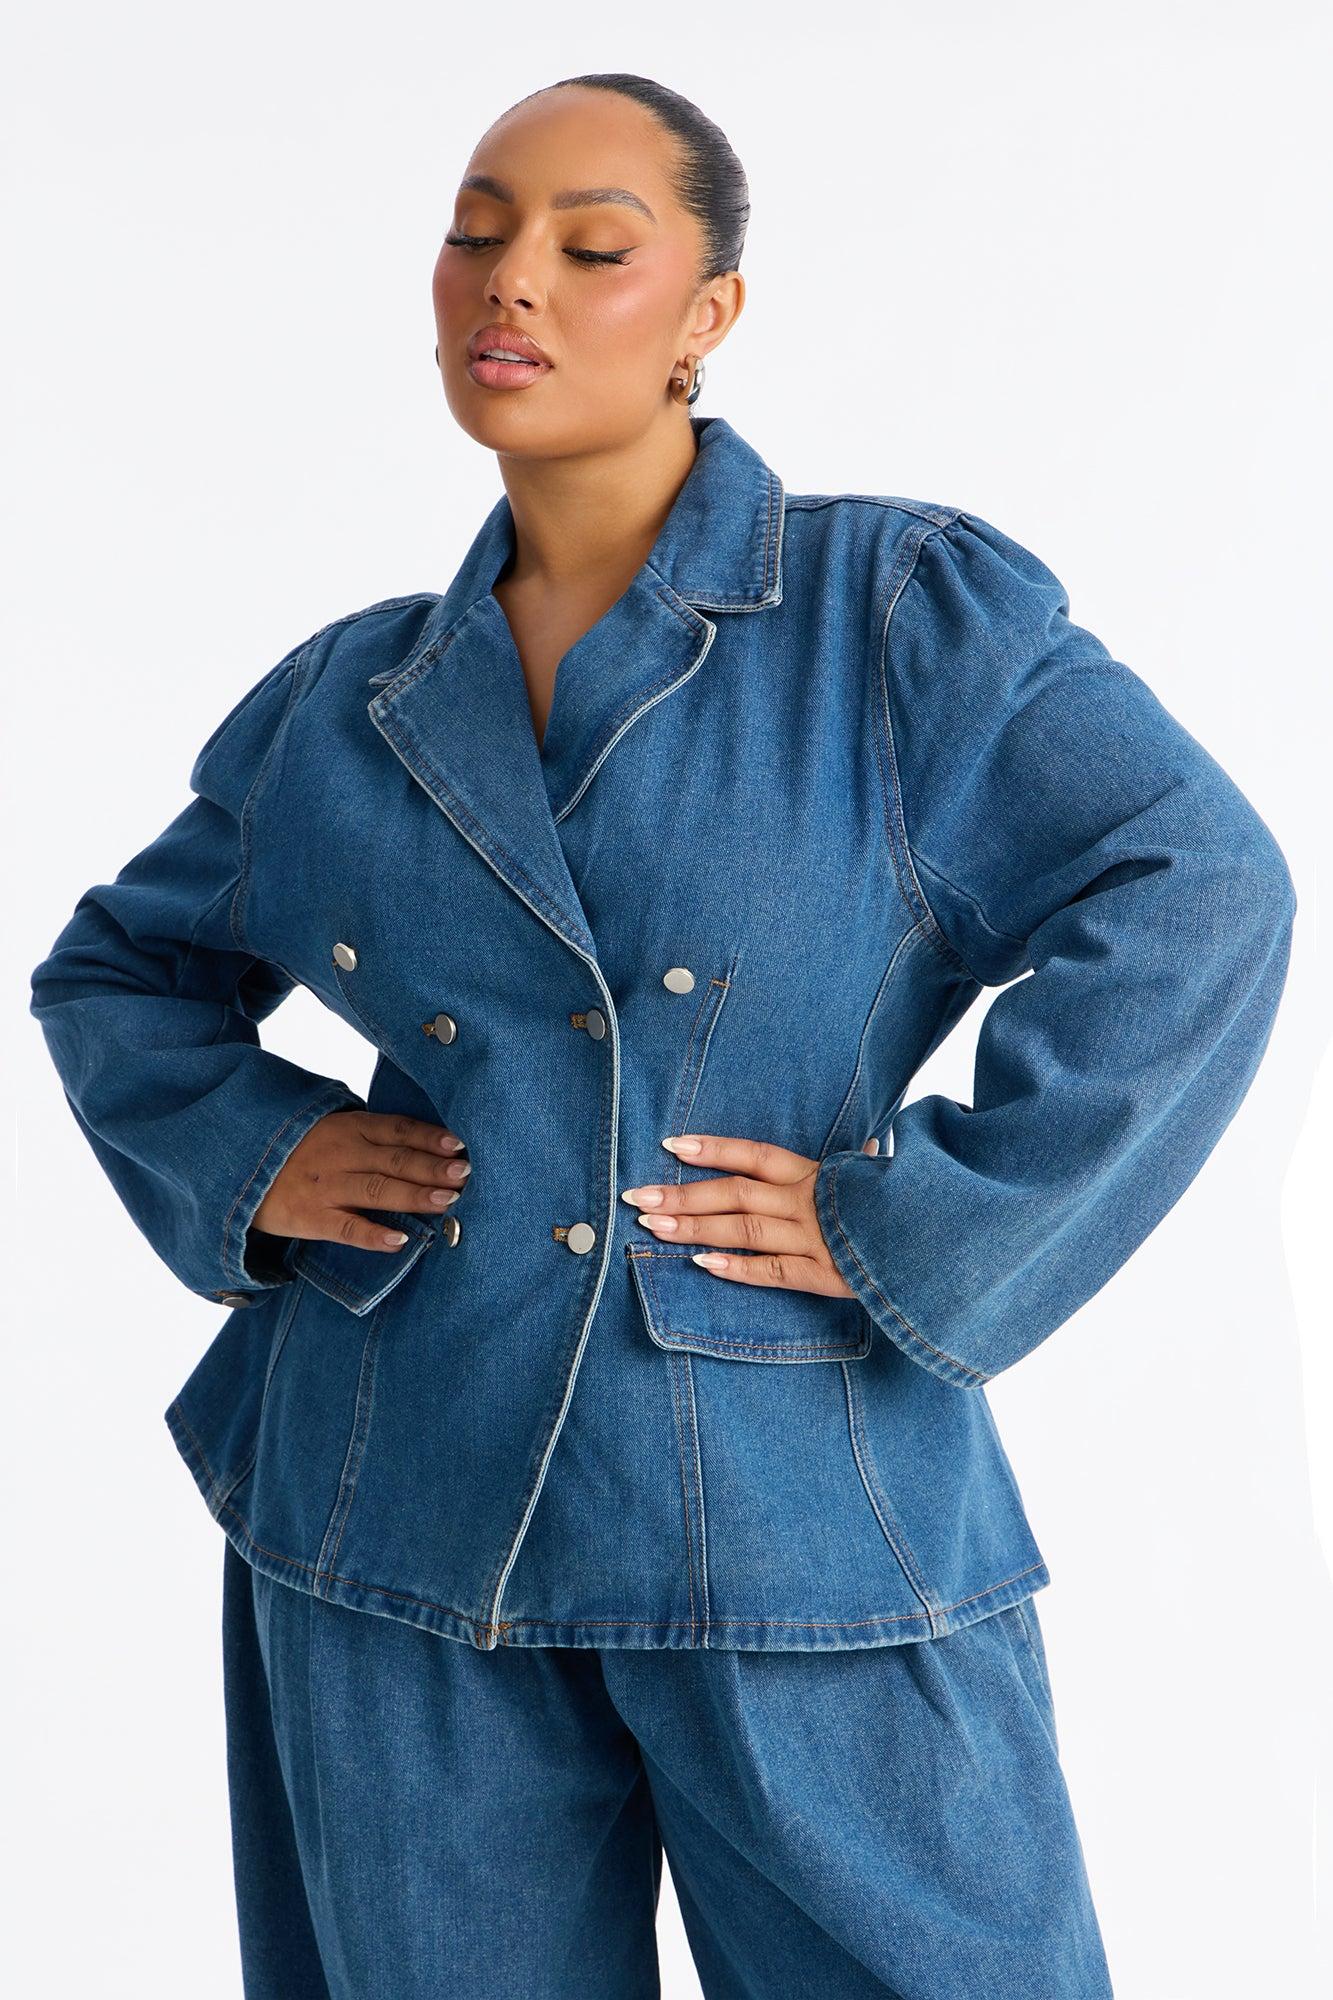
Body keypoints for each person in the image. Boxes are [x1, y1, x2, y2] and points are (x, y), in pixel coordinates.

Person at [29, 70, 1295, 2000]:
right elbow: (119, 967)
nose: (509, 281)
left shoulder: (896, 617)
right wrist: (257, 1156)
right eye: (474, 234)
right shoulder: (350, 699)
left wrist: (916, 1222)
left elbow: (1199, 889)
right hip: (393, 1496)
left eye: (591, 246)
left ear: (708, 311)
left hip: (795, 1497)